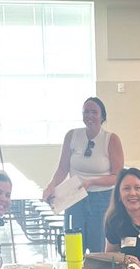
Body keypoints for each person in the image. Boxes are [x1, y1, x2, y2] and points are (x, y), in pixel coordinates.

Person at [43, 96, 125, 254]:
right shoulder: (72, 136)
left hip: (102, 198)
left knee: (98, 245)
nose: (90, 116)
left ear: (102, 116)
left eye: (94, 112)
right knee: (74, 244)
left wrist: (91, 182)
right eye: (86, 112)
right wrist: (51, 186)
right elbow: (62, 168)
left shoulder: (111, 139)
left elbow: (117, 176)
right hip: (74, 196)